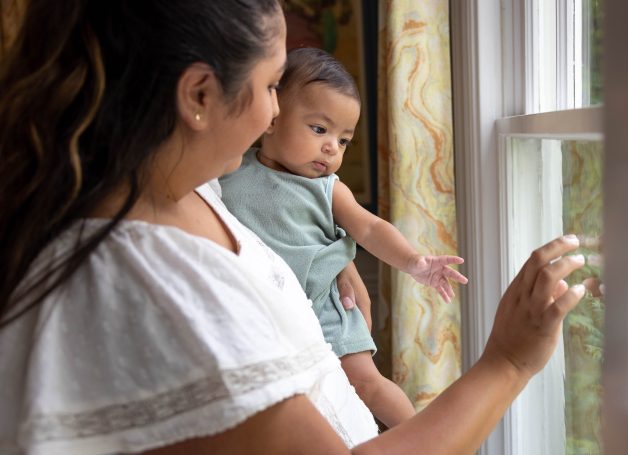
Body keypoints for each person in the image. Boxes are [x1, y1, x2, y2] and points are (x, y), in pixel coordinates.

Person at [0, 0, 586, 453]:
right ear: (200, 94)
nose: (277, 110)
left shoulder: (183, 187)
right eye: (273, 84)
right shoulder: (149, 281)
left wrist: (336, 265)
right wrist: (509, 361)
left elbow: (280, 239)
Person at [219, 47, 468, 428]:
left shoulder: (326, 189)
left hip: (325, 304)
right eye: (319, 129)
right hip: (270, 311)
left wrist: (414, 262)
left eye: (344, 140)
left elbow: (370, 227)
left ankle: (420, 439)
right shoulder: (231, 169)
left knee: (366, 383)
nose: (332, 147)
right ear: (272, 119)